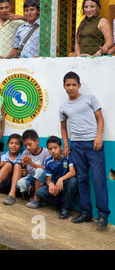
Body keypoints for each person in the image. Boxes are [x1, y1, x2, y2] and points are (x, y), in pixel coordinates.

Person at [59, 71, 110, 227]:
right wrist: (67, 145)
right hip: (76, 146)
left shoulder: (90, 99)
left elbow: (100, 119)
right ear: (64, 86)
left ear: (79, 85)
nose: (71, 88)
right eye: (68, 85)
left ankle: (103, 215)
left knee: (98, 179)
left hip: (93, 144)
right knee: (82, 179)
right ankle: (85, 212)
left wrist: (98, 137)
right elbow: (63, 127)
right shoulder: (63, 106)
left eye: (74, 84)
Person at [36, 136, 78, 220]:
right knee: (40, 192)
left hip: (66, 185)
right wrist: (51, 184)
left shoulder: (67, 157)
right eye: (50, 149)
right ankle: (62, 204)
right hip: (56, 188)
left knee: (73, 181)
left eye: (55, 148)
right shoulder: (48, 161)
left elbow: (73, 172)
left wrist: (61, 179)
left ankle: (66, 209)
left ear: (61, 147)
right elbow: (48, 180)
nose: (53, 151)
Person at [0, 134, 23, 205]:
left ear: (21, 146)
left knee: (17, 166)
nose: (13, 145)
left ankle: (12, 195)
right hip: (3, 185)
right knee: (8, 164)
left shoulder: (22, 157)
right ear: (7, 144)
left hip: (15, 188)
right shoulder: (2, 155)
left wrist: (24, 171)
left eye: (17, 144)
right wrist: (0, 167)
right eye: (11, 143)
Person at [18, 129, 49, 209]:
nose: (28, 147)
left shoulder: (46, 152)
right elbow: (25, 170)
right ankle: (36, 193)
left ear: (37, 141)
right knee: (20, 184)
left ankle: (36, 199)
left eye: (30, 144)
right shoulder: (25, 152)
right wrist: (24, 166)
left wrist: (31, 163)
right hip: (31, 179)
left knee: (39, 170)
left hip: (43, 180)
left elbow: (47, 169)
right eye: (26, 145)